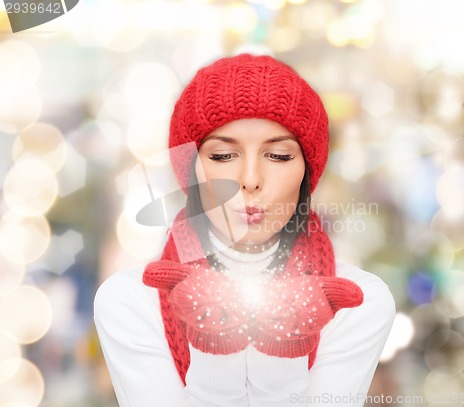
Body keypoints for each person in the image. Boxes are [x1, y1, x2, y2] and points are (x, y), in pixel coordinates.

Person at [94, 53, 396, 407]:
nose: (250, 180)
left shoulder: (357, 303)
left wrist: (284, 349)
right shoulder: (129, 301)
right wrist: (214, 350)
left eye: (279, 156)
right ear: (190, 170)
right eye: (223, 156)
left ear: (306, 173)